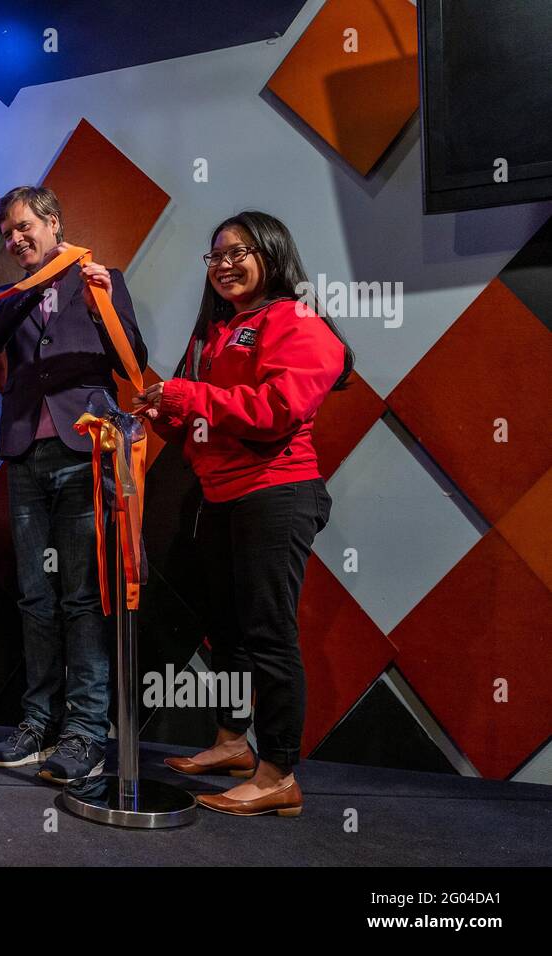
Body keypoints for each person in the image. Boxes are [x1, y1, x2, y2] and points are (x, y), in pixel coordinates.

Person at [135, 211, 351, 817]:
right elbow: (206, 428)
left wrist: (188, 396)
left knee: (269, 635)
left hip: (275, 493)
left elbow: (277, 410)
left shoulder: (296, 319)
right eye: (216, 256)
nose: (225, 264)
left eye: (240, 252)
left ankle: (278, 772)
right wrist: (165, 415)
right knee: (226, 632)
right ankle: (233, 743)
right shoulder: (218, 330)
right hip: (222, 497)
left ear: (273, 254)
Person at [0, 185, 147, 784]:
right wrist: (35, 284)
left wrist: (98, 301)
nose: (14, 240)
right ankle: (36, 722)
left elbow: (132, 362)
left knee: (79, 596)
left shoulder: (103, 280)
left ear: (53, 219)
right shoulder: (6, 297)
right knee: (34, 596)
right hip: (25, 456)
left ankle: (86, 731)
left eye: (23, 227)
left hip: (86, 452)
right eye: (7, 235)